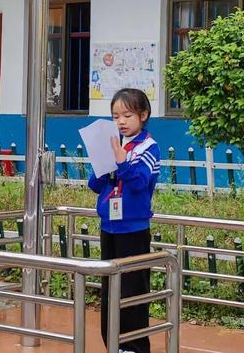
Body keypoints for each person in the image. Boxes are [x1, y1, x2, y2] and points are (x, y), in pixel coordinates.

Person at [88, 88, 160, 353]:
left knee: (132, 293)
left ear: (143, 115)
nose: (121, 121)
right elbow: (95, 185)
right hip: (109, 227)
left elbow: (141, 182)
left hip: (133, 230)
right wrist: (101, 164)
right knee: (109, 292)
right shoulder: (114, 143)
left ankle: (135, 347)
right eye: (116, 115)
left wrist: (122, 163)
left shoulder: (148, 147)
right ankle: (114, 345)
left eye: (127, 115)